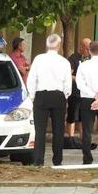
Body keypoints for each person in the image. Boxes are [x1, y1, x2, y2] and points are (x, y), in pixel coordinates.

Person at [27, 34, 72, 166]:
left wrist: (33, 96)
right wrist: (65, 96)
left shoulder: (39, 59)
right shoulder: (64, 62)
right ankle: (57, 160)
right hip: (58, 96)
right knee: (58, 130)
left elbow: (32, 79)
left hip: (41, 95)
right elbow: (67, 83)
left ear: (47, 45)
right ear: (59, 46)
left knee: (40, 130)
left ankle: (38, 160)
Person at [66, 38, 91, 139]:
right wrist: (78, 79)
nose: (89, 51)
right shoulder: (73, 58)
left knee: (83, 117)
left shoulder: (91, 59)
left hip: (86, 93)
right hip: (75, 92)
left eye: (90, 49)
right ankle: (71, 138)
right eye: (87, 48)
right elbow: (68, 74)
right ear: (81, 47)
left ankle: (83, 138)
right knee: (72, 116)